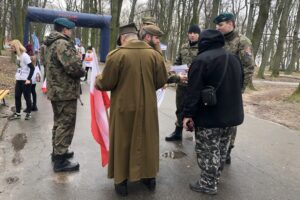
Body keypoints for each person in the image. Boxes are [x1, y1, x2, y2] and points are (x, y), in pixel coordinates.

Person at [95, 23, 167, 196]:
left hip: (123, 109)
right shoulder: (155, 55)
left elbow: (106, 83)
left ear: (122, 37)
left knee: (122, 141)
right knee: (147, 140)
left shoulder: (116, 55)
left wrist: (97, 77)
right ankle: (149, 178)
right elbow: (161, 81)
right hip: (148, 107)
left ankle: (121, 182)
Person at [182, 29, 244, 195]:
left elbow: (193, 92)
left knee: (208, 150)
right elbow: (240, 84)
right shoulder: (234, 59)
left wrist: (187, 115)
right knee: (222, 149)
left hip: (209, 116)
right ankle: (214, 177)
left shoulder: (201, 60)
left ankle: (208, 184)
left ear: (203, 42)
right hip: (231, 115)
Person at [44, 18, 85, 172]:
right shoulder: (62, 43)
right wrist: (82, 70)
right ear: (64, 29)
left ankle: (58, 153)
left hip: (56, 90)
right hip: (65, 92)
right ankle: (60, 161)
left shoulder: (50, 43)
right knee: (65, 124)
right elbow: (73, 67)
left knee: (59, 122)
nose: (71, 32)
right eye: (70, 29)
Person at [214, 12, 255, 164]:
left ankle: (228, 149)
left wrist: (239, 90)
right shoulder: (217, 40)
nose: (217, 28)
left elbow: (249, 67)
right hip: (217, 87)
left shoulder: (242, 41)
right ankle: (216, 145)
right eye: (217, 25)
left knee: (230, 120)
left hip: (232, 89)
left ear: (231, 24)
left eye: (221, 25)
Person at [165, 25, 201, 141]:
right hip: (182, 84)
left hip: (195, 85)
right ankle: (177, 132)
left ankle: (199, 137)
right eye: (190, 32)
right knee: (180, 108)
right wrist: (175, 69)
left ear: (199, 34)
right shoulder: (184, 47)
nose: (192, 35)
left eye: (195, 33)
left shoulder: (202, 47)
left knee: (196, 110)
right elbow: (178, 61)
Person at [8, 40, 34, 120]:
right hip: (19, 80)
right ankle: (18, 113)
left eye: (12, 47)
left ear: (16, 47)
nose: (11, 49)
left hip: (25, 81)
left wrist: (28, 79)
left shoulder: (25, 56)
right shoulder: (18, 55)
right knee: (17, 96)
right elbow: (20, 67)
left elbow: (32, 68)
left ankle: (29, 113)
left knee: (27, 97)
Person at [25, 44, 40, 112]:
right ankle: (34, 105)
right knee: (33, 91)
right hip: (34, 76)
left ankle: (29, 106)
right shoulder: (34, 56)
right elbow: (38, 65)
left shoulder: (26, 56)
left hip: (29, 75)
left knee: (27, 92)